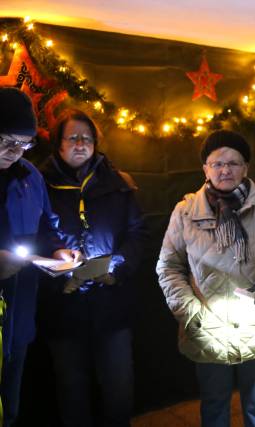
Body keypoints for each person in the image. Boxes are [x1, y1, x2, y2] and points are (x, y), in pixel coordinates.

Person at [157, 129, 255, 427]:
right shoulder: (185, 212)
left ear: (246, 168)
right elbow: (168, 267)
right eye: (217, 163)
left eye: (233, 163)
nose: (225, 169)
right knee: (214, 407)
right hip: (207, 326)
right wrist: (191, 313)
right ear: (205, 168)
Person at [38, 108, 147, 426]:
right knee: (71, 389)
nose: (80, 143)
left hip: (111, 305)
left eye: (87, 138)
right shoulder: (39, 184)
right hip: (63, 307)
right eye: (72, 137)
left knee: (119, 388)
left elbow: (138, 233)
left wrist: (116, 268)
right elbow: (31, 232)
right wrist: (55, 253)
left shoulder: (120, 183)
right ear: (58, 143)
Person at [0, 88, 80, 426]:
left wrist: (57, 250)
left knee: (11, 405)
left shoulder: (31, 177)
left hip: (19, 313)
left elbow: (47, 227)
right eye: (6, 141)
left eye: (24, 143)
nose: (15, 152)